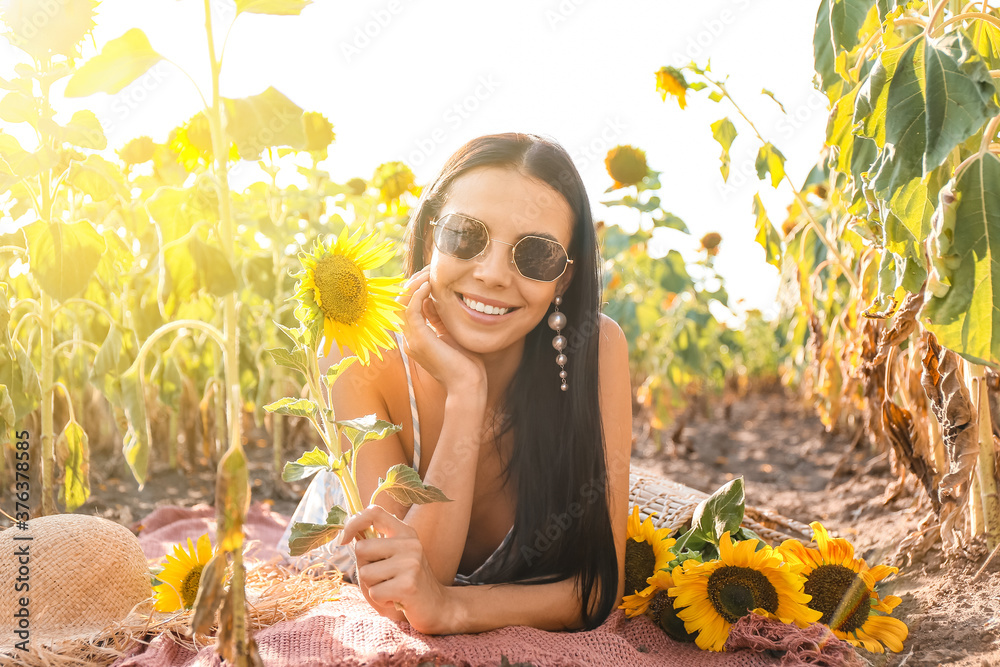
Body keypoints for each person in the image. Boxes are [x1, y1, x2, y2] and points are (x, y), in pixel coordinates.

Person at [289, 132, 632, 635]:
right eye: (465, 235)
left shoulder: (597, 349)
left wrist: (452, 610)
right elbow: (405, 590)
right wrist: (466, 395)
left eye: (535, 255)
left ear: (562, 279)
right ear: (431, 238)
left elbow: (597, 586)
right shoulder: (357, 352)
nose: (492, 274)